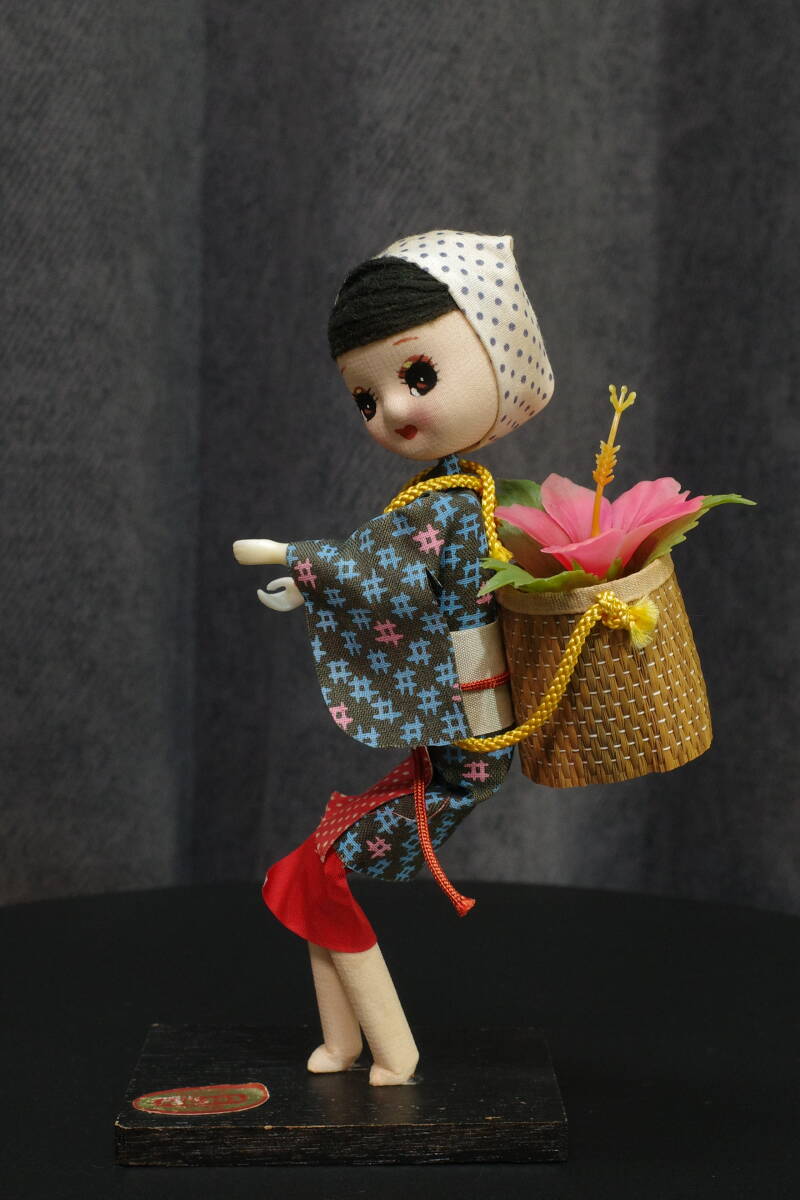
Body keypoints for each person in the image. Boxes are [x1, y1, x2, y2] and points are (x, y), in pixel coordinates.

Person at [233, 230, 554, 1084]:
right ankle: (347, 1044)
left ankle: (393, 1050)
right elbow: (392, 573)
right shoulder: (450, 497)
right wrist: (311, 582)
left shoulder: (452, 504)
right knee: (311, 869)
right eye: (365, 397)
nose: (392, 409)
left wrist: (297, 560)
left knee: (321, 870)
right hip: (452, 731)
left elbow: (379, 567)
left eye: (417, 374)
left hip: (470, 743)